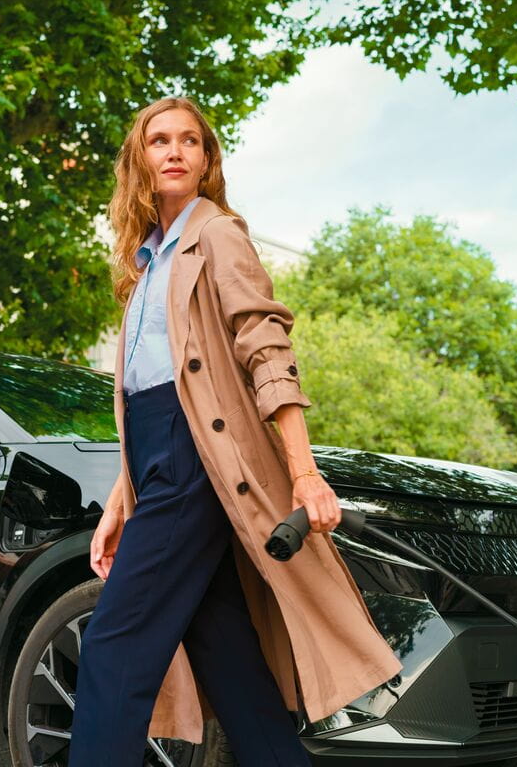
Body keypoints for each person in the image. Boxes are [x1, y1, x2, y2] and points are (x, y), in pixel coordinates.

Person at [67, 96, 401, 767]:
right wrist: (120, 502)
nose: (175, 151)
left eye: (190, 140)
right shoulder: (145, 263)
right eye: (159, 140)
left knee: (114, 643)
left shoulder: (217, 234)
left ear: (207, 161)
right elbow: (144, 394)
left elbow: (266, 350)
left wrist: (304, 473)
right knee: (222, 647)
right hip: (157, 458)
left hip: (197, 459)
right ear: (139, 159)